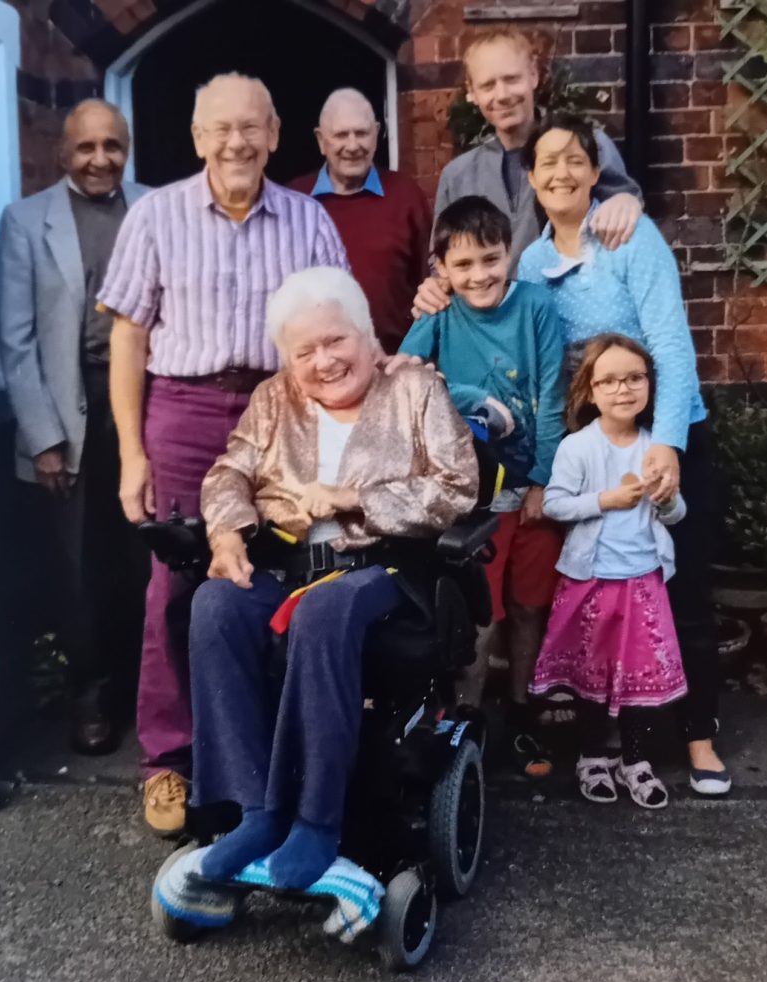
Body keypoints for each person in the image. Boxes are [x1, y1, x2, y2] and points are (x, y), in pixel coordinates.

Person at [97, 74, 349, 837]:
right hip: (183, 410)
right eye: (221, 129)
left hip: (283, 412)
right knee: (174, 590)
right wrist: (131, 455)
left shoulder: (308, 221)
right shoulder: (154, 216)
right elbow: (128, 336)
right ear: (197, 137)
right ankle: (170, 764)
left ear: (275, 134)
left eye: (251, 128)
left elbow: (340, 331)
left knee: (283, 577)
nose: (236, 143)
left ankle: (261, 758)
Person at [188, 266, 478, 889]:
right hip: (289, 566)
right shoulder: (272, 401)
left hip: (387, 569)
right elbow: (227, 473)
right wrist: (227, 532)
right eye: (305, 351)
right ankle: (255, 810)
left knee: (323, 610)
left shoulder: (414, 389)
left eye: (336, 341)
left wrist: (354, 498)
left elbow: (457, 488)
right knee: (215, 603)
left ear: (368, 337)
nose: (324, 361)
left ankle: (318, 821)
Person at [517, 111, 731, 796]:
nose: (560, 172)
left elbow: (669, 344)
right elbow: (541, 367)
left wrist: (665, 445)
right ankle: (609, 736)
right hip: (593, 447)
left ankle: (698, 735)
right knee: (603, 595)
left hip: (666, 431)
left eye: (574, 159)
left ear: (594, 170)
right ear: (530, 179)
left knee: (682, 588)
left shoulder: (629, 234)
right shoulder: (530, 263)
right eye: (546, 162)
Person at [0, 99, 149, 756]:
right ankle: (89, 692)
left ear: (127, 149)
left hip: (142, 408)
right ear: (64, 155)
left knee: (143, 559)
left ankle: (145, 693)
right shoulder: (25, 222)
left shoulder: (152, 208)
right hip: (68, 413)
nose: (99, 159)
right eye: (86, 148)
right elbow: (15, 342)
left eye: (111, 146)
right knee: (79, 566)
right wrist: (45, 440)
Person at [398, 196, 565, 778]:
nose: (479, 275)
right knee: (479, 614)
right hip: (472, 499)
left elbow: (551, 400)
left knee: (528, 605)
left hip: (531, 489)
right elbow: (401, 378)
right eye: (463, 265)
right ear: (441, 267)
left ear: (508, 253)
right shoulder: (440, 314)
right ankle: (464, 724)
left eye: (490, 260)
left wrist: (544, 478)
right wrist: (457, 396)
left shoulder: (537, 306)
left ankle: (522, 713)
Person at [534, 335, 688, 809]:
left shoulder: (655, 449)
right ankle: (592, 756)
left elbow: (679, 514)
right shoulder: (578, 448)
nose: (624, 390)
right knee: (591, 674)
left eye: (635, 378)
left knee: (638, 674)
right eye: (610, 381)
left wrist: (666, 501)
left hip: (643, 580)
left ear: (649, 386)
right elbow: (555, 504)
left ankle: (635, 761)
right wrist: (605, 500)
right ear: (591, 391)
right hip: (591, 580)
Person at [413, 26, 643, 317]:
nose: (503, 94)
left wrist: (626, 201)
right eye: (488, 85)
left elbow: (624, 217)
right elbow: (441, 258)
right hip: (492, 328)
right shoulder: (459, 175)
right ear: (472, 93)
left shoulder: (585, 146)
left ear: (533, 76)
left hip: (573, 315)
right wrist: (436, 287)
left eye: (512, 79)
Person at [288, 88, 432, 354]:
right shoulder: (296, 201)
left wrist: (417, 353)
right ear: (321, 140)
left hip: (395, 361)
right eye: (341, 135)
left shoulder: (405, 194)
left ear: (377, 134)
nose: (353, 146)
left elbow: (428, 282)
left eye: (362, 133)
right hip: (321, 366)